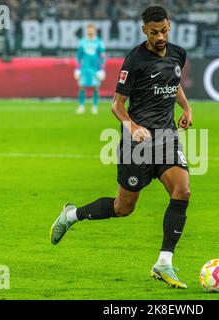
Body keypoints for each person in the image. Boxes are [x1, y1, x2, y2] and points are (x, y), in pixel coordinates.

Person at [50, 6, 193, 289]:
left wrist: (187, 107)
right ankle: (71, 215)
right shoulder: (135, 60)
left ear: (169, 26)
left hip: (166, 138)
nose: (161, 36)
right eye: (154, 32)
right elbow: (116, 105)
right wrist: (132, 127)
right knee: (123, 207)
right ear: (145, 31)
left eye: (164, 30)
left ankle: (164, 263)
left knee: (183, 190)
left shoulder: (178, 54)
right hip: (136, 144)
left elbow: (173, 82)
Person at [75, 23, 106, 114]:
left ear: (94, 30)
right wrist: (77, 69)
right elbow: (78, 56)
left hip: (95, 69)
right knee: (81, 87)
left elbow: (103, 57)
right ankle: (81, 106)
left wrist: (102, 69)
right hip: (84, 68)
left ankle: (95, 106)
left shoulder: (99, 42)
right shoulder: (82, 42)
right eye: (89, 29)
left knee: (96, 87)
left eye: (92, 29)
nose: (90, 30)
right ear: (87, 30)